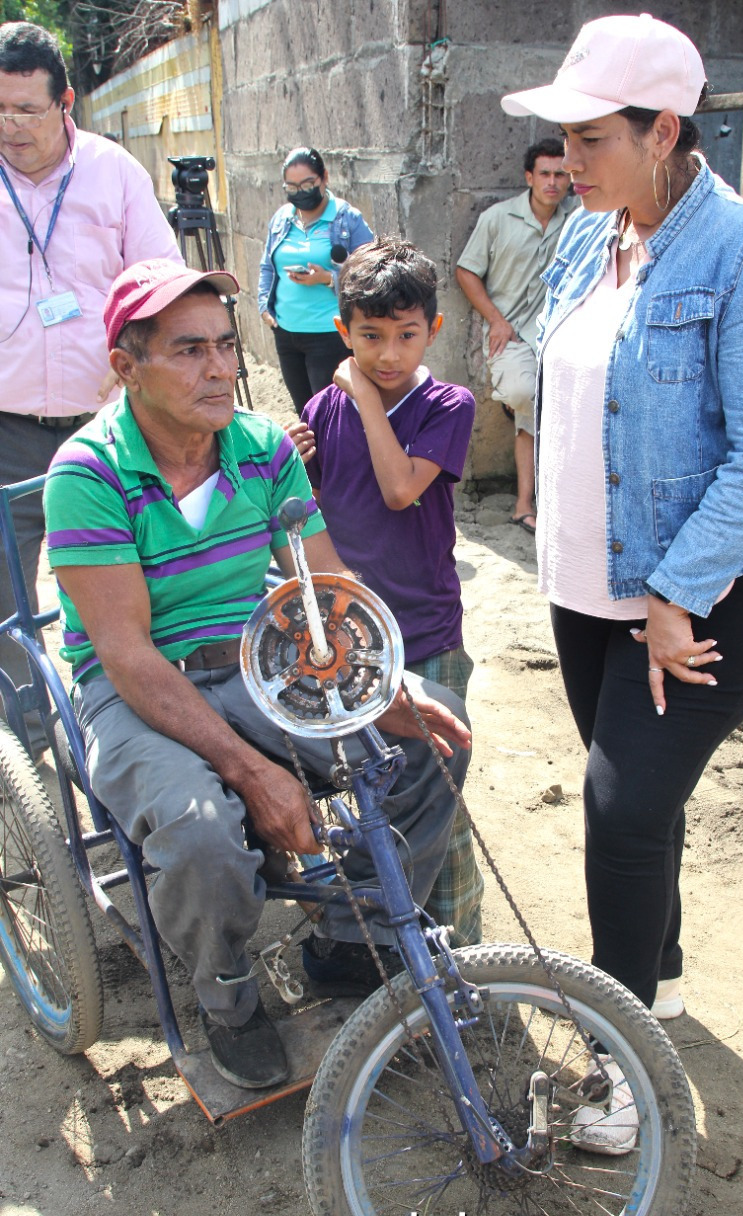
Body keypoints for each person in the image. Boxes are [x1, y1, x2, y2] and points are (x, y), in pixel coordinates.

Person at [501, 13, 743, 1152]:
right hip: (592, 590)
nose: (565, 161)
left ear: (662, 129)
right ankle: (662, 977)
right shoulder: (594, 239)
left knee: (620, 806)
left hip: (700, 596)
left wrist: (676, 591)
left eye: (588, 137)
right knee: (641, 807)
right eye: (562, 138)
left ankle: (621, 1067)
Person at [43, 258, 472, 1091]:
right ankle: (228, 994)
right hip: (138, 688)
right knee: (205, 834)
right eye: (188, 351)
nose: (218, 369)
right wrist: (253, 771)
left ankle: (348, 942)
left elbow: (326, 583)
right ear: (126, 367)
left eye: (226, 347)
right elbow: (128, 656)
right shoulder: (87, 474)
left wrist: (386, 681)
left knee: (433, 736)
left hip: (257, 656)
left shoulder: (263, 447)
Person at [289, 237, 484, 949]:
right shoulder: (321, 408)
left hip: (425, 633)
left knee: (437, 795)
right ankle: (386, 947)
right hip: (349, 640)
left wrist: (364, 396)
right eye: (369, 337)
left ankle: (460, 951)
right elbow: (309, 511)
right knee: (379, 796)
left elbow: (401, 489)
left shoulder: (447, 404)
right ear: (343, 332)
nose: (388, 354)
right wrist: (294, 454)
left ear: (433, 329)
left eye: (406, 335)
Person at [0, 21, 182, 758]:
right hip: (7, 427)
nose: (10, 127)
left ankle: (122, 733)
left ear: (66, 101)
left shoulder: (114, 174)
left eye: (26, 111)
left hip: (107, 428)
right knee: (6, 603)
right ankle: (31, 748)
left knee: (116, 588)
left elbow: (164, 284)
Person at [456, 138, 572, 534]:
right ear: (529, 177)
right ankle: (531, 500)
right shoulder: (497, 218)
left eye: (561, 174)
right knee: (526, 396)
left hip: (557, 334)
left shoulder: (580, 221)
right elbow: (466, 271)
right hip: (513, 337)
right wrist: (496, 319)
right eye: (545, 174)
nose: (553, 182)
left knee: (534, 413)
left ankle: (526, 504)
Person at [258, 146, 374, 410]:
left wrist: (329, 279)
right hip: (287, 333)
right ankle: (309, 455)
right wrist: (264, 306)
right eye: (292, 187)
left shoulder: (347, 219)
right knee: (305, 413)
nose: (301, 192)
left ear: (324, 178)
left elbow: (372, 274)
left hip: (329, 334)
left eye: (308, 184)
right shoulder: (281, 219)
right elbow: (267, 266)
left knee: (330, 415)